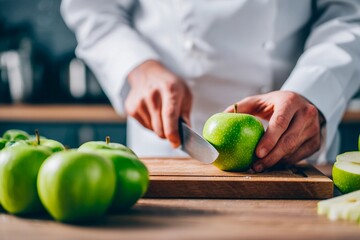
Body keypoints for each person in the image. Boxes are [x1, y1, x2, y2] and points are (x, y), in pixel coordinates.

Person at [61, 0, 360, 172]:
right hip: (164, 137)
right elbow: (90, 7)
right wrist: (137, 66)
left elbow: (350, 15)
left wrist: (315, 90)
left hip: (290, 132)